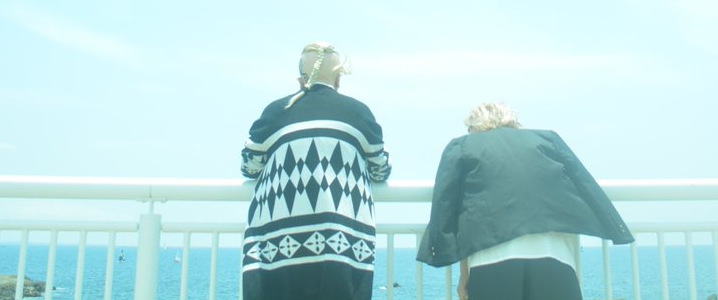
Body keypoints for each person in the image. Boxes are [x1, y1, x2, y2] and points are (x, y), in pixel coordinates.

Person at [417, 102, 633, 300]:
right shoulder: (547, 140)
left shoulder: (464, 146)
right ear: (512, 121)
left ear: (473, 127)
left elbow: (450, 207)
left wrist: (460, 270)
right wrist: (617, 229)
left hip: (491, 260)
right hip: (556, 258)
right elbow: (584, 186)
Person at [240, 42, 392, 300]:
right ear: (338, 78)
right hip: (342, 247)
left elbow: (249, 165)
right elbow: (380, 169)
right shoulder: (359, 113)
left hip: (277, 249)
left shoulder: (277, 111)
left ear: (300, 79)